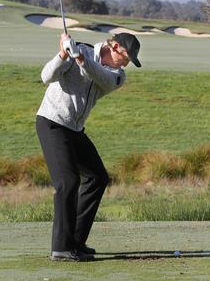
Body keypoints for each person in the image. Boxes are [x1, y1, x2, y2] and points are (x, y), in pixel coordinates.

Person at [35, 31, 142, 262]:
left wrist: (82, 60)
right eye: (126, 57)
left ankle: (75, 241)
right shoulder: (78, 50)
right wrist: (63, 54)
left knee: (97, 177)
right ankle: (61, 248)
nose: (126, 63)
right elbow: (46, 76)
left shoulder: (117, 76)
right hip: (52, 122)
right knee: (68, 182)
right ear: (113, 46)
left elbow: (99, 76)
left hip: (74, 129)